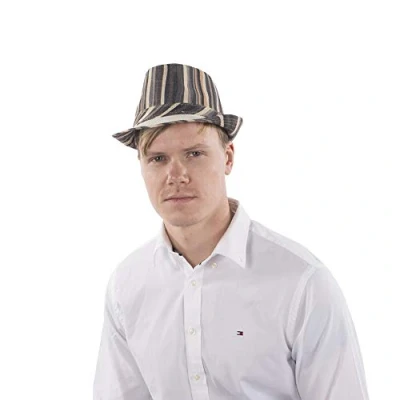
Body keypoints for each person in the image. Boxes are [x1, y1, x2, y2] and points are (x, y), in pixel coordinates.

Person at [93, 63, 370, 399]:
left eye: (194, 154)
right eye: (158, 158)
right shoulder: (127, 286)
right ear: (141, 166)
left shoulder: (301, 282)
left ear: (227, 158)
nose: (176, 175)